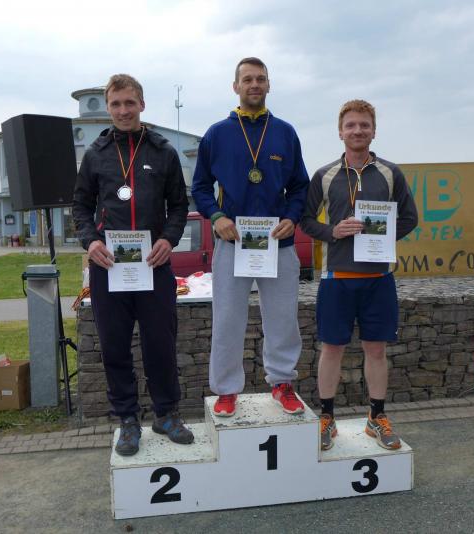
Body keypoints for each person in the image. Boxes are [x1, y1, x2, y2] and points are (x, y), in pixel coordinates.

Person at [72, 74, 193, 456]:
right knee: (114, 347)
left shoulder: (163, 152)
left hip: (153, 265)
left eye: (129, 103)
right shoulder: (96, 154)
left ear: (141, 104)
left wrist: (168, 239)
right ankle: (127, 419)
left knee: (161, 344)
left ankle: (166, 414)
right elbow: (80, 207)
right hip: (109, 267)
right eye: (116, 104)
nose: (123, 110)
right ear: (109, 108)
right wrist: (91, 241)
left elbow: (179, 206)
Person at [192, 57, 310, 417]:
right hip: (232, 243)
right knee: (227, 319)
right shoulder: (217, 134)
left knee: (283, 318)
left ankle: (282, 383)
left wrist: (292, 218)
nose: (254, 85)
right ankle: (227, 390)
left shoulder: (285, 132)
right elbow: (200, 187)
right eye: (247, 79)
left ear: (269, 85)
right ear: (236, 86)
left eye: (260, 79)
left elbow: (300, 186)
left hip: (278, 242)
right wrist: (216, 217)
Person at [300, 100, 418, 451]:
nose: (358, 131)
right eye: (351, 125)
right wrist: (332, 232)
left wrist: (381, 237)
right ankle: (327, 418)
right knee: (331, 349)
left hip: (378, 278)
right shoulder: (324, 175)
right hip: (336, 278)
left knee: (376, 350)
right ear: (340, 132)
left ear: (374, 131)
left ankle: (376, 417)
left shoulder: (390, 173)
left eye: (364, 125)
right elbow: (306, 220)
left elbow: (410, 218)